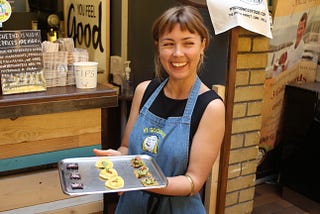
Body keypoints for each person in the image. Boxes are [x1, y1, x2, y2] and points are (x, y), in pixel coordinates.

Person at [94, 5, 225, 214]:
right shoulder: (144, 91)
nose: (177, 53)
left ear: (203, 45)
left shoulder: (211, 107)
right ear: (158, 47)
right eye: (168, 44)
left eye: (188, 43)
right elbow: (127, 148)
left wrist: (140, 179)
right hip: (131, 207)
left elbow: (193, 182)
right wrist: (118, 162)